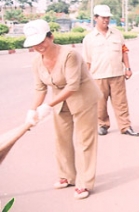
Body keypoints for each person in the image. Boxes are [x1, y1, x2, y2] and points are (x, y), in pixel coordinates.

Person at [23, 19, 101, 199]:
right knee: (62, 139)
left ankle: (84, 182)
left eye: (42, 41)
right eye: (34, 43)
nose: (39, 46)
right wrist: (32, 110)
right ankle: (67, 176)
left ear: (51, 37)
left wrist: (47, 106)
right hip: (60, 101)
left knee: (84, 141)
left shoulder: (69, 55)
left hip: (83, 97)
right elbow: (40, 88)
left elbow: (73, 86)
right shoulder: (37, 61)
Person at [82, 5, 139, 137]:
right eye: (103, 17)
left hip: (117, 75)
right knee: (100, 104)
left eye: (108, 18)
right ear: (95, 18)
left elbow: (124, 51)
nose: (106, 20)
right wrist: (85, 80)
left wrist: (128, 67)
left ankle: (125, 126)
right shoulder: (89, 39)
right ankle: (102, 125)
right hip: (98, 76)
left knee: (121, 103)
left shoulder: (117, 34)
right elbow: (87, 61)